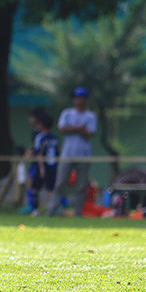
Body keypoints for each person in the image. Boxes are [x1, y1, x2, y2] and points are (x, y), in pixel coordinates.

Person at [46, 86, 97, 217]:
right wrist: (79, 128)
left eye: (82, 98)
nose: (79, 101)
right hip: (67, 154)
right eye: (77, 98)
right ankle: (52, 211)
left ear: (86, 100)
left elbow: (90, 133)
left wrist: (74, 129)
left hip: (84, 155)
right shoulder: (67, 113)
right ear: (74, 99)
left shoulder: (90, 116)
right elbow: (62, 129)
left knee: (81, 186)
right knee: (60, 183)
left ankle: (78, 213)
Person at [21, 109, 58, 215]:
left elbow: (38, 153)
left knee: (34, 187)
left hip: (41, 166)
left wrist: (41, 168)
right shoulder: (55, 138)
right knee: (51, 188)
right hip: (53, 166)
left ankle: (35, 209)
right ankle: (53, 209)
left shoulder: (39, 137)